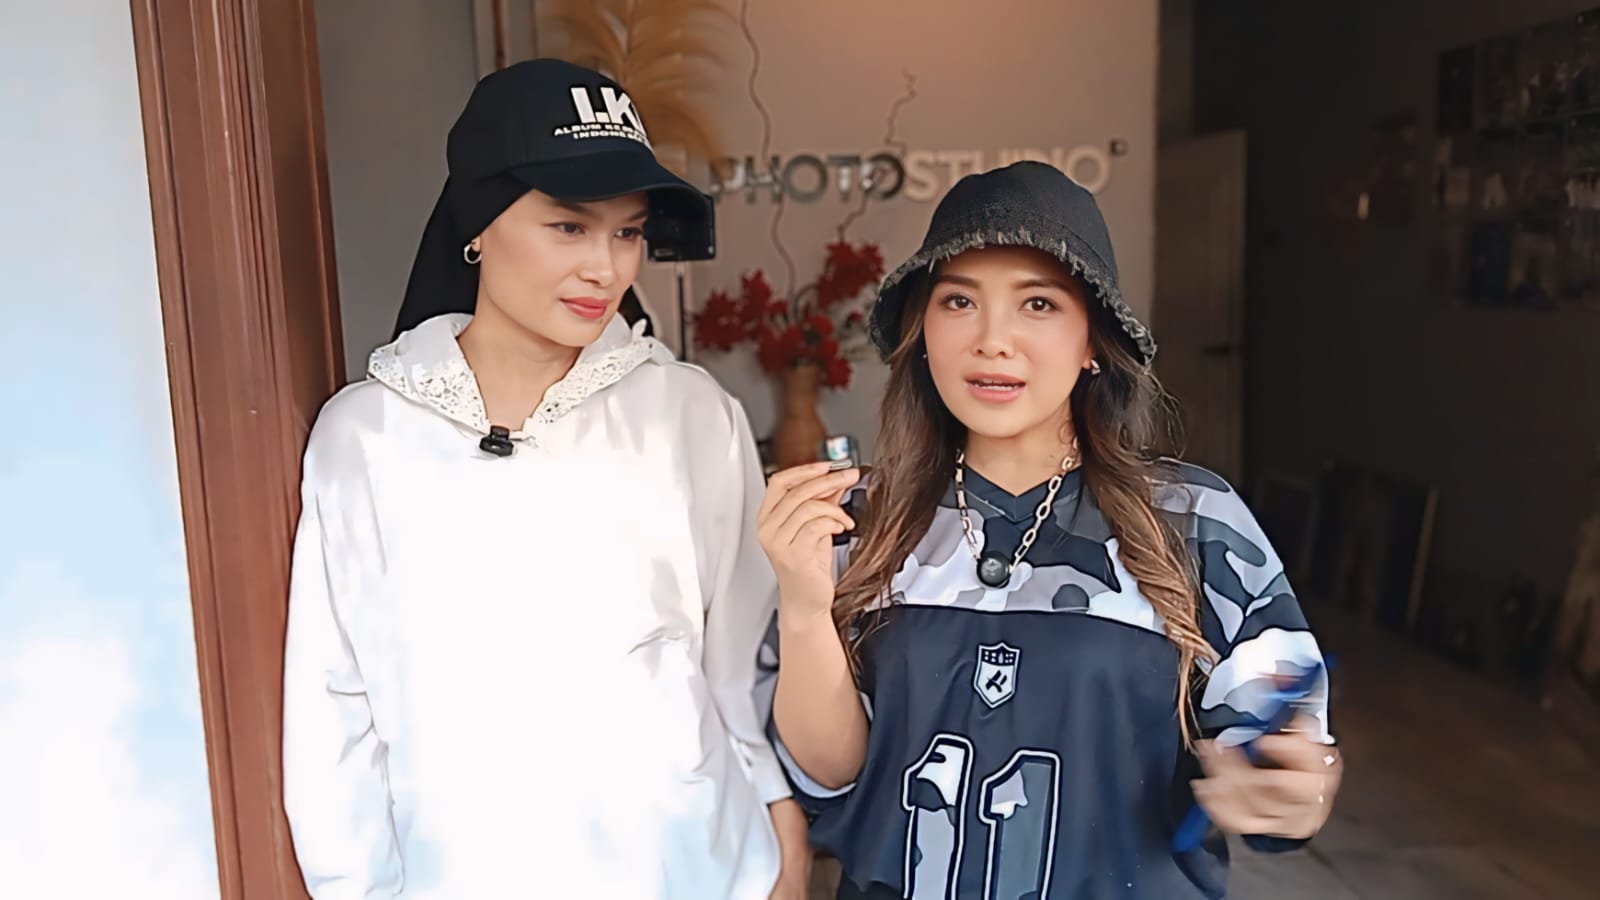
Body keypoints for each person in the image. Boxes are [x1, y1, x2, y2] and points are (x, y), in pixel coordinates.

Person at [282, 58, 808, 899]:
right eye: (569, 226)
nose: (607, 268)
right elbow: (333, 703)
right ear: (478, 224)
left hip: (692, 870)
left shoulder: (690, 414)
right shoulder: (366, 436)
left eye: (628, 232)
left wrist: (780, 836)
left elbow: (740, 661)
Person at [755, 161, 1342, 899]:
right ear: (922, 331)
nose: (992, 340)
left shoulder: (1193, 520)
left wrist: (1289, 785)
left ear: (1093, 339)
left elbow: (1283, 746)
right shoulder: (856, 520)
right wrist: (804, 605)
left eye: (1038, 303)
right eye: (959, 301)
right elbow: (827, 776)